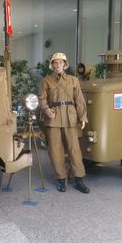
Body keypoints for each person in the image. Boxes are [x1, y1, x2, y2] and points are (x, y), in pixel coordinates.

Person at [38, 52, 90, 193]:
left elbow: (79, 100)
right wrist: (46, 109)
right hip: (53, 117)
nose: (57, 65)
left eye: (60, 62)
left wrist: (83, 117)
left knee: (75, 150)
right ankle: (61, 179)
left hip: (69, 116)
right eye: (55, 62)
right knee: (55, 150)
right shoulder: (46, 81)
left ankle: (79, 179)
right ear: (52, 65)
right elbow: (41, 99)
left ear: (65, 64)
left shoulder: (73, 80)